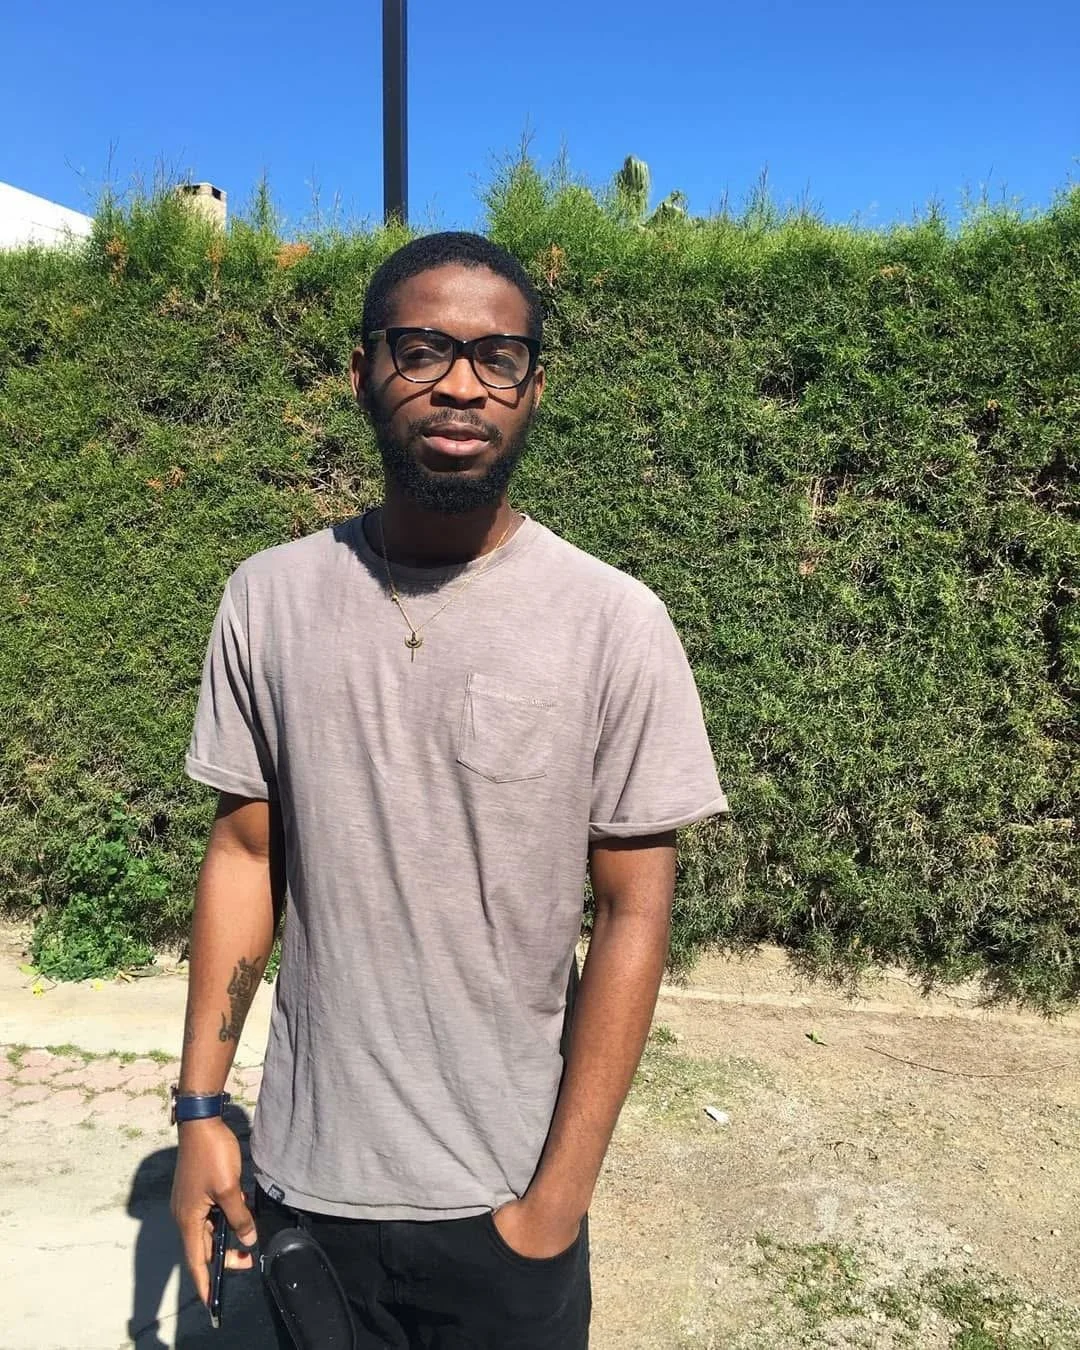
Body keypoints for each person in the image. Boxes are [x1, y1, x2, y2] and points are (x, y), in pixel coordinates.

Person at [170, 230, 728, 1349]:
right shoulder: (269, 600)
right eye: (421, 348)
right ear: (363, 369)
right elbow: (244, 855)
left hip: (506, 1195)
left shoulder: (614, 622)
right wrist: (198, 1112)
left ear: (534, 385)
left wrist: (554, 1201)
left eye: (498, 356)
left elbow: (633, 911)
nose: (461, 382)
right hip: (300, 1181)